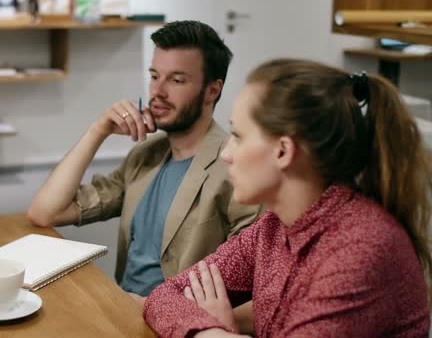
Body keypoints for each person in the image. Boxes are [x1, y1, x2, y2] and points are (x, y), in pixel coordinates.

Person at [143, 58, 432, 337]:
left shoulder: (361, 249)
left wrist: (220, 332)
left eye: (239, 136)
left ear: (283, 151)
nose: (225, 153)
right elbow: (164, 296)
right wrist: (211, 331)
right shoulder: (274, 226)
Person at [27, 20, 261, 300]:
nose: (157, 92)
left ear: (212, 90)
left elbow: (254, 285)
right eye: (154, 76)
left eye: (176, 80)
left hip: (175, 322)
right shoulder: (144, 155)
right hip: (123, 310)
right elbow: (46, 213)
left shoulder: (236, 168)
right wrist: (97, 131)